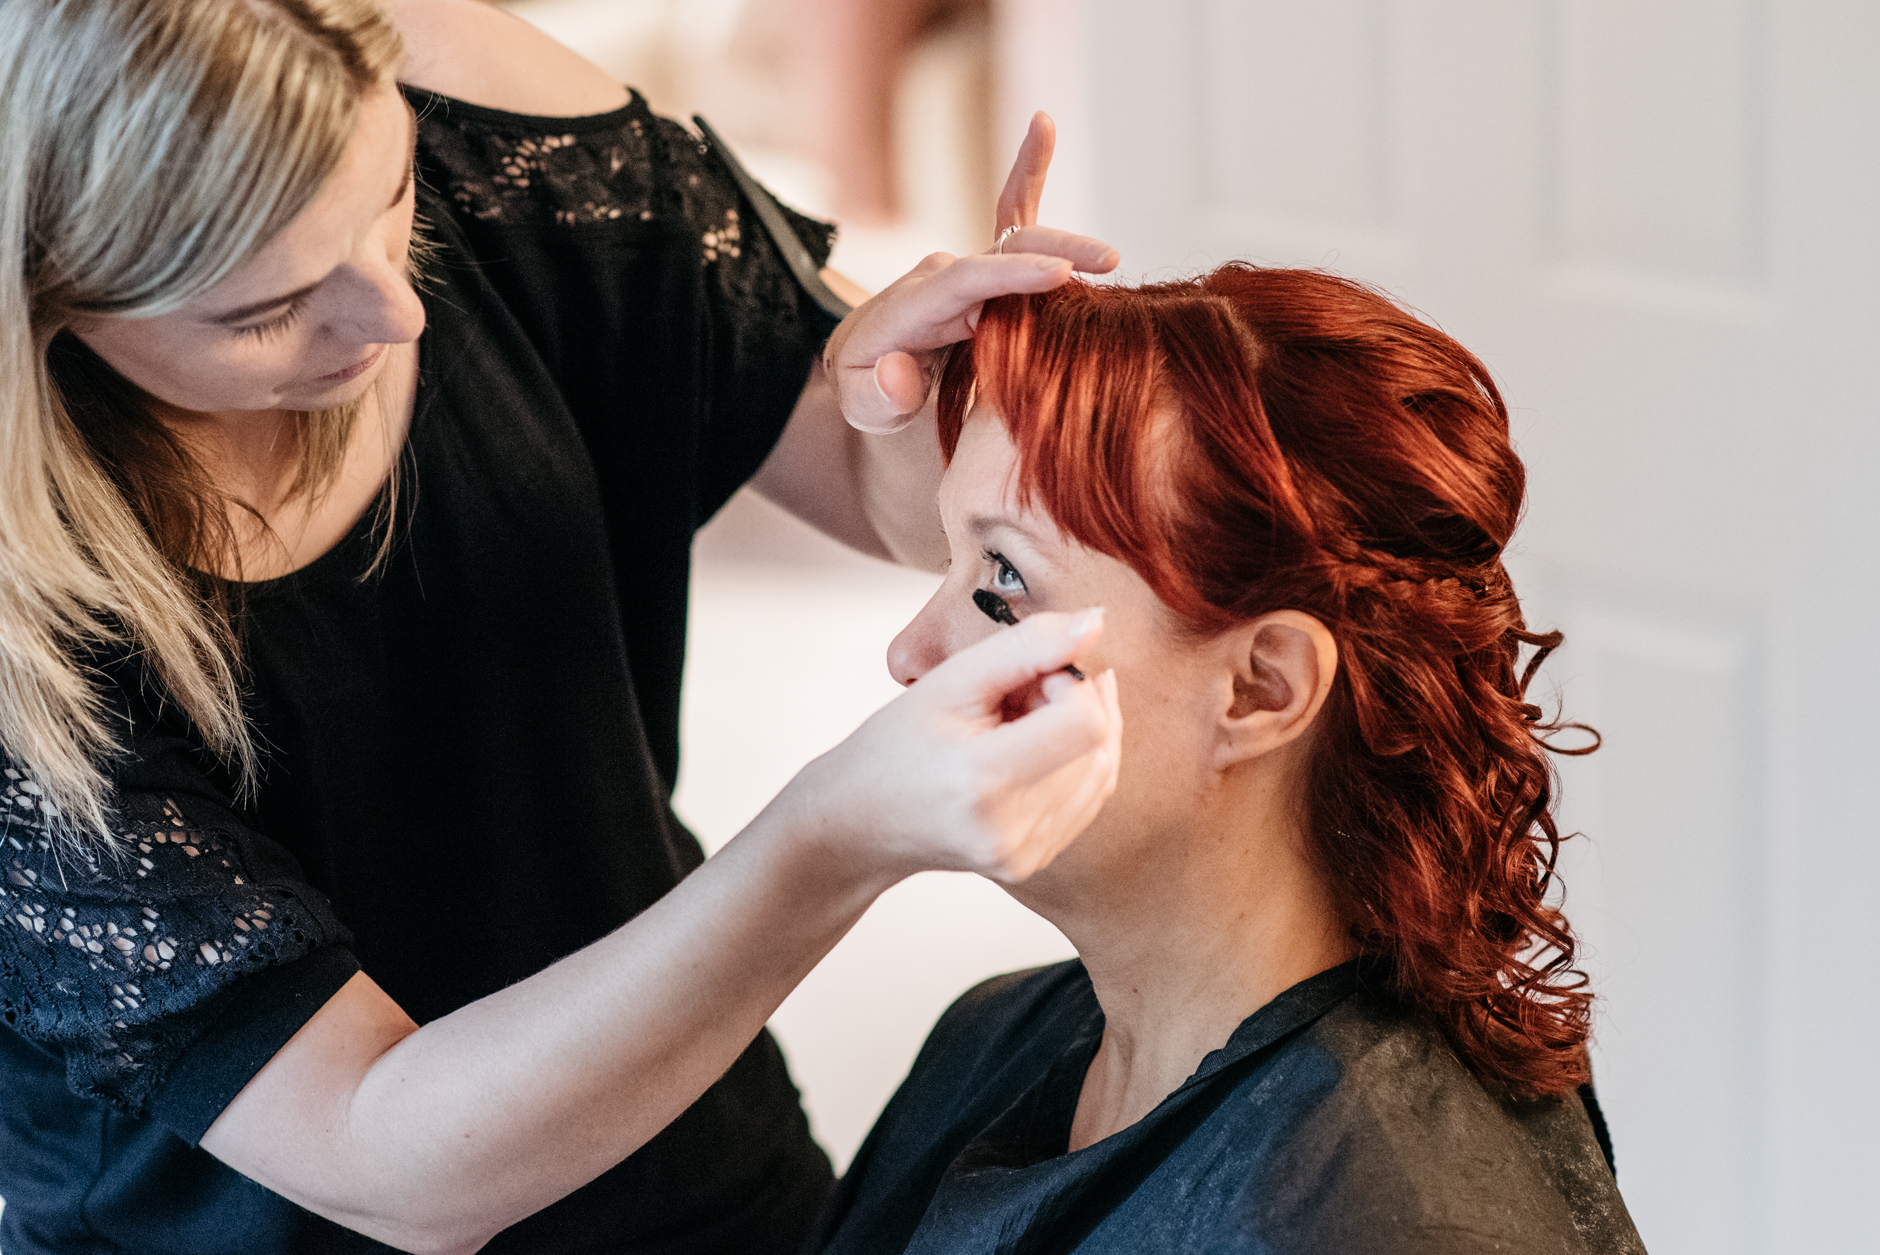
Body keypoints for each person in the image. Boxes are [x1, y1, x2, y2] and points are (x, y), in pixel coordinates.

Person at [0, 1, 1124, 1252]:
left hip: (690, 1156)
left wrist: (929, 403)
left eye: (390, 194)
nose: (398, 312)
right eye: (266, 310)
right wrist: (832, 836)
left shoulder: (518, 167)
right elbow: (386, 1160)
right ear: (45, 300)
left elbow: (876, 490)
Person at [806, 266, 1645, 1254]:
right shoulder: (997, 1036)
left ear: (1260, 689)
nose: (908, 654)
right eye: (950, 560)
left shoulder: (1390, 1219)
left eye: (1003, 582)